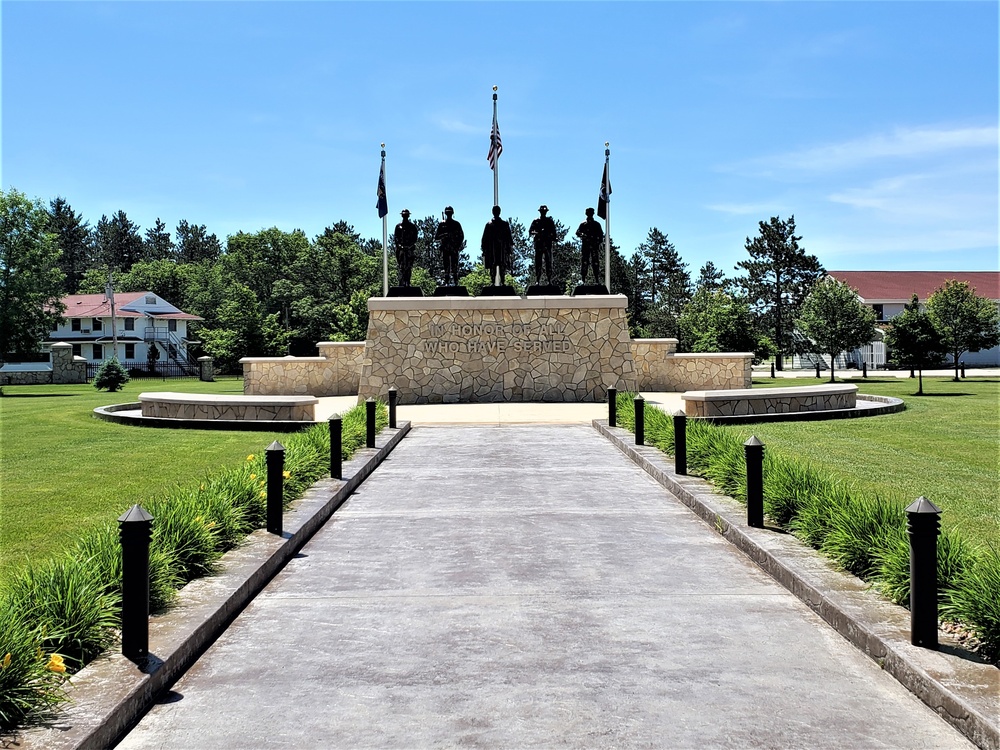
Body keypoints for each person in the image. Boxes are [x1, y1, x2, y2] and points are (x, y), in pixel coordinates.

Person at [481, 205, 513, 286]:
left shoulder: (504, 224)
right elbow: (484, 238)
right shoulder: (489, 224)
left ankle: (502, 281)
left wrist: (509, 249)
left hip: (502, 248)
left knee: (502, 265)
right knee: (493, 265)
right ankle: (492, 281)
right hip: (492, 249)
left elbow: (509, 238)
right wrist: (484, 249)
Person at [434, 206, 464, 286]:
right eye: (447, 212)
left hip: (454, 248)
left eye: (450, 212)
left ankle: (456, 282)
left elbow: (461, 236)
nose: (449, 214)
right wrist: (444, 235)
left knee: (454, 266)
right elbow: (436, 237)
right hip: (445, 248)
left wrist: (457, 246)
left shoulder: (456, 224)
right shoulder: (442, 224)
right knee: (446, 266)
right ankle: (447, 282)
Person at [528, 205, 557, 285]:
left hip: (547, 244)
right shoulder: (536, 221)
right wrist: (538, 232)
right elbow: (531, 231)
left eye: (544, 211)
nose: (543, 213)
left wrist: (549, 235)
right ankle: (537, 280)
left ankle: (549, 280)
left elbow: (554, 233)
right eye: (542, 211)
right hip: (539, 243)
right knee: (538, 263)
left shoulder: (549, 221)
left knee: (549, 263)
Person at [575, 207, 604, 284]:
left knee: (595, 263)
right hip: (586, 246)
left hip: (594, 246)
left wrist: (597, 242)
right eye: (588, 213)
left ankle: (597, 279)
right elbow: (577, 232)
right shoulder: (583, 224)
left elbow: (601, 235)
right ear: (586, 214)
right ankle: (583, 279)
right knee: (584, 262)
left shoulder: (596, 224)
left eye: (591, 213)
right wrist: (582, 235)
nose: (590, 214)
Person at [393, 209, 418, 287]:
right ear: (402, 215)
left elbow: (415, 238)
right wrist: (400, 246)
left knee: (408, 267)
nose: (405, 216)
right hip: (400, 249)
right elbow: (396, 238)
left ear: (408, 216)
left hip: (409, 249)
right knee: (401, 266)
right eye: (404, 215)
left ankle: (408, 282)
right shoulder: (398, 226)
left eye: (406, 215)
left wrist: (409, 246)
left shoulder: (412, 227)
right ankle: (401, 282)